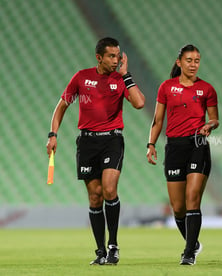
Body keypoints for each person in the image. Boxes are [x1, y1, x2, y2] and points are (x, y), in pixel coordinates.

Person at [46, 37, 145, 265]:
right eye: (111, 56)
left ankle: (113, 246)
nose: (116, 60)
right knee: (94, 196)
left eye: (118, 56)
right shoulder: (81, 77)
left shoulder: (120, 80)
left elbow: (139, 103)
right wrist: (53, 134)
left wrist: (126, 75)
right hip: (87, 142)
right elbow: (62, 106)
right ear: (98, 57)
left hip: (112, 140)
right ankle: (100, 251)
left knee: (109, 189)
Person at [146, 44, 219, 265]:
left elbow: (215, 118)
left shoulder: (207, 89)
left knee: (193, 198)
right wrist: (151, 144)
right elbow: (158, 120)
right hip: (174, 147)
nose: (193, 64)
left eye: (197, 60)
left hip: (198, 146)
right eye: (189, 60)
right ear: (179, 62)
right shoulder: (166, 87)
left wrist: (210, 125)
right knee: (178, 208)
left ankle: (188, 253)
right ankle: (193, 243)